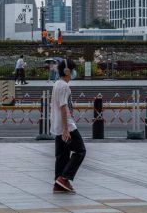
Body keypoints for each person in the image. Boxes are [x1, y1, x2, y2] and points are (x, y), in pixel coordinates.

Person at [51, 58, 85, 193]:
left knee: (62, 155)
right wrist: (66, 129)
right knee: (80, 151)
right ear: (67, 71)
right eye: (72, 70)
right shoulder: (64, 86)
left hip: (57, 125)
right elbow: (63, 107)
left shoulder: (56, 84)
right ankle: (64, 178)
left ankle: (58, 184)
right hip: (67, 126)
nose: (73, 73)